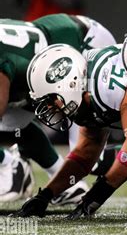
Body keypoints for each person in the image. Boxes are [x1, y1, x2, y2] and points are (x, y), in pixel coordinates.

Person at [0, 13, 115, 203]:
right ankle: (67, 186)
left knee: (93, 156)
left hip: (78, 46)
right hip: (42, 69)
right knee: (13, 125)